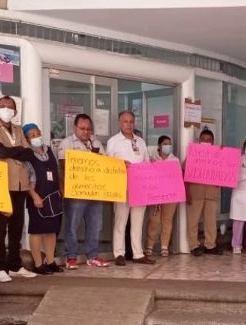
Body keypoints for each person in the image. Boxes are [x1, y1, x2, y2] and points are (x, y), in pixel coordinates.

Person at [0, 96, 38, 282]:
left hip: (20, 184)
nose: (6, 109)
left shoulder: (17, 129)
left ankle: (14, 265)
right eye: (3, 106)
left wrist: (13, 151)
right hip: (1, 183)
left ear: (15, 111)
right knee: (0, 228)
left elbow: (29, 153)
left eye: (10, 107)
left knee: (16, 227)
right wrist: (18, 150)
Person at [57, 113, 108, 270]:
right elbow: (64, 166)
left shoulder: (97, 143)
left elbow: (105, 165)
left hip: (95, 191)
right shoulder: (66, 143)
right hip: (76, 192)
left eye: (88, 129)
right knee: (72, 225)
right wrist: (86, 161)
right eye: (82, 128)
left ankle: (92, 256)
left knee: (95, 225)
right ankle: (71, 256)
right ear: (75, 128)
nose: (86, 132)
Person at [106, 110, 155, 266]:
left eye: (131, 121)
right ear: (120, 123)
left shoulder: (140, 141)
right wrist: (121, 164)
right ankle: (119, 253)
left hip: (139, 187)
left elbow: (146, 162)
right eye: (125, 121)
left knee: (138, 222)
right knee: (120, 221)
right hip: (121, 186)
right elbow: (107, 164)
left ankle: (138, 254)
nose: (128, 124)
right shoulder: (113, 141)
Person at [22, 123, 64, 275]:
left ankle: (50, 261)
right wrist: (34, 196)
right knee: (37, 231)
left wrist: (61, 190)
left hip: (53, 196)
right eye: (31, 136)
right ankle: (38, 264)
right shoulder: (27, 155)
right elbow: (25, 180)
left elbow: (57, 172)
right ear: (27, 139)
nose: (36, 137)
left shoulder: (50, 150)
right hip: (37, 197)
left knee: (51, 230)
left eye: (37, 133)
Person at [187, 129, 223, 256]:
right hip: (196, 192)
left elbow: (225, 172)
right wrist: (187, 192)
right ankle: (193, 245)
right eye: (203, 139)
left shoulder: (219, 155)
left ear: (213, 142)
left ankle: (210, 245)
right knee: (192, 221)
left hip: (211, 193)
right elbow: (185, 171)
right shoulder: (193, 154)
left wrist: (225, 154)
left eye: (208, 140)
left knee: (211, 221)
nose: (206, 142)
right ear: (199, 141)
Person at [145, 135, 180, 257]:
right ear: (159, 146)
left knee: (167, 220)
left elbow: (178, 177)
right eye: (165, 144)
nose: (168, 146)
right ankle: (150, 245)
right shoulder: (152, 159)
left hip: (170, 195)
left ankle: (164, 246)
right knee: (153, 220)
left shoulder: (175, 160)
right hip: (154, 195)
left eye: (169, 144)